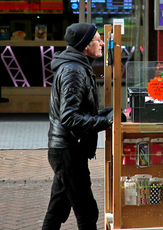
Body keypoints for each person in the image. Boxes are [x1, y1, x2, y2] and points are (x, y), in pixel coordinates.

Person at [42, 23, 113, 230]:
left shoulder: (77, 66)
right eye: (98, 40)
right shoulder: (73, 70)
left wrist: (109, 113)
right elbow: (70, 117)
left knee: (57, 209)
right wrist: (106, 121)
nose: (102, 43)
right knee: (87, 212)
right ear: (85, 45)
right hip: (68, 151)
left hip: (67, 149)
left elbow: (81, 112)